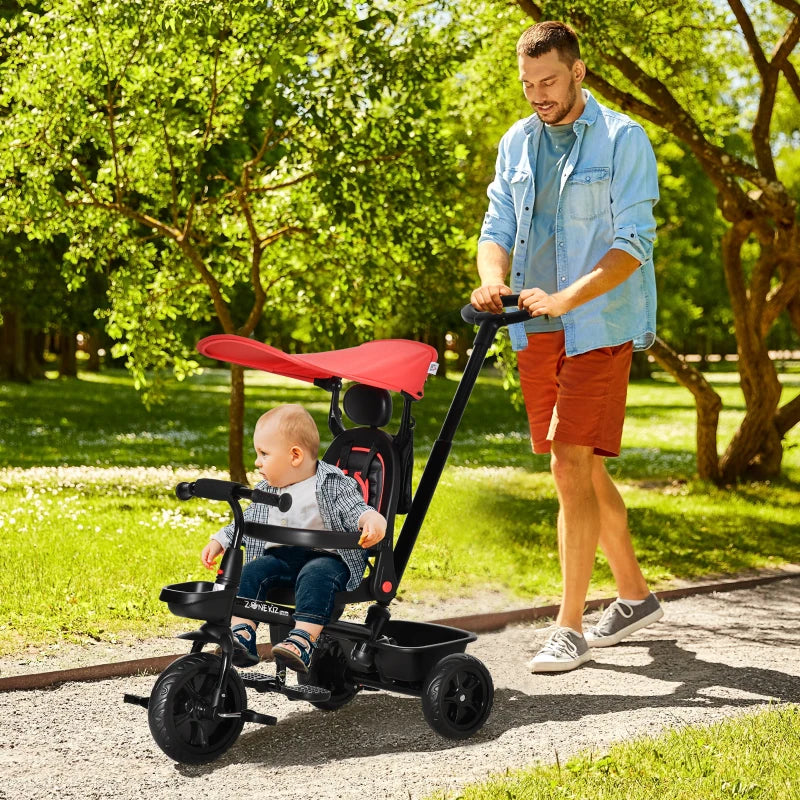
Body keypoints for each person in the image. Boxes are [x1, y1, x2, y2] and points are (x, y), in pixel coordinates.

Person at [471, 21, 663, 673]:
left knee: (567, 466)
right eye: (527, 85)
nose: (537, 95)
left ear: (578, 72)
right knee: (579, 464)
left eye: (548, 81)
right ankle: (634, 595)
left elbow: (634, 243)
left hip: (598, 326)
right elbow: (497, 223)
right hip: (534, 329)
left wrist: (565, 298)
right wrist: (493, 280)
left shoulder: (622, 140)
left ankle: (570, 625)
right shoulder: (518, 143)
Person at [201, 404, 386, 672]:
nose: (257, 462)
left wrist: (371, 521)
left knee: (316, 574)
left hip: (328, 559)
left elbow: (356, 509)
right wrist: (221, 540)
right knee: (251, 572)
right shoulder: (266, 489)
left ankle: (302, 641)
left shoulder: (332, 483)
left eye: (264, 454)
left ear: (295, 456)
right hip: (283, 558)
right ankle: (241, 632)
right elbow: (248, 519)